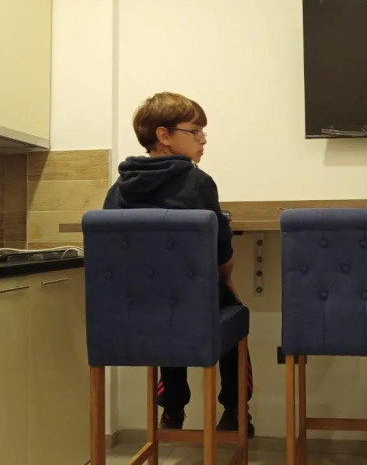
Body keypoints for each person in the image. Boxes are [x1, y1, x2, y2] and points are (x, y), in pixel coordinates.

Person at [103, 91, 254, 436]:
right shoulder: (197, 183)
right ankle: (235, 410)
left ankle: (172, 407)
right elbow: (222, 255)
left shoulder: (119, 187)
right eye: (195, 131)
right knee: (230, 308)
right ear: (164, 135)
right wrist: (227, 279)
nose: (203, 140)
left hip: (133, 310)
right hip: (189, 305)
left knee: (166, 306)